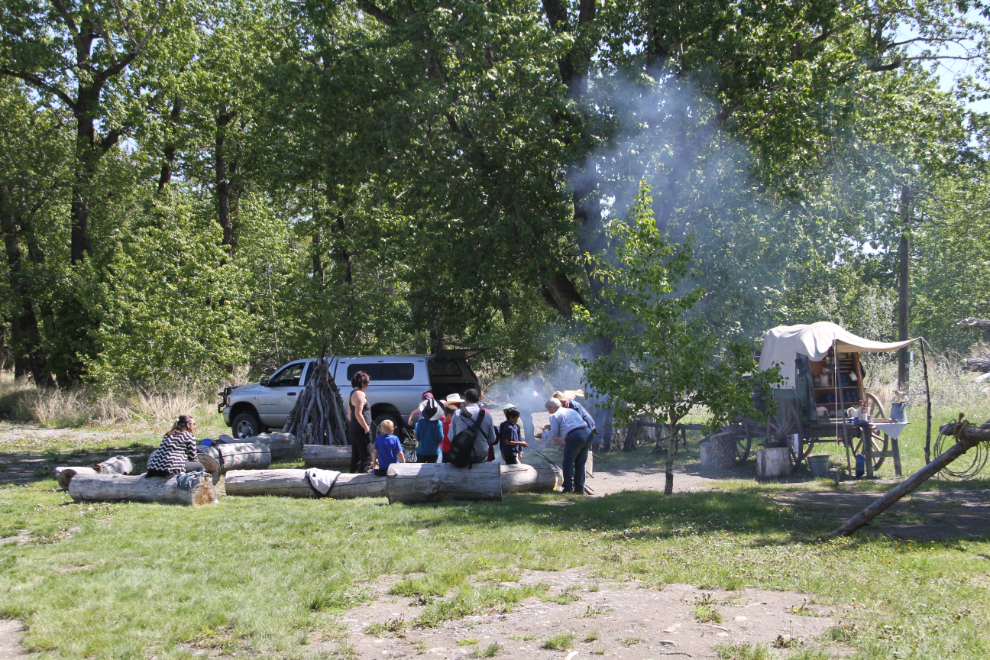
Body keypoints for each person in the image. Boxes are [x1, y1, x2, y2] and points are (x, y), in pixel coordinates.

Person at [537, 397, 592, 494]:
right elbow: (569, 427)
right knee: (581, 464)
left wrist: (543, 435)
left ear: (553, 406)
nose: (549, 412)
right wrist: (562, 439)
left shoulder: (554, 416)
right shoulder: (570, 411)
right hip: (587, 434)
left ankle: (568, 488)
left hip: (576, 436)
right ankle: (579, 489)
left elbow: (554, 433)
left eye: (549, 409)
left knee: (567, 463)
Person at [450, 389, 497, 464]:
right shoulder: (487, 415)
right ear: (479, 399)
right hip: (481, 455)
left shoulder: (457, 413)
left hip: (461, 454)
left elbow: (451, 437)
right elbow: (492, 439)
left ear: (466, 400)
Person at [348, 370, 374, 473]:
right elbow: (358, 414)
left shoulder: (351, 394)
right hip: (361, 429)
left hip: (353, 428)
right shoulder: (360, 394)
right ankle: (362, 482)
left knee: (355, 458)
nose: (367, 386)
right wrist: (366, 428)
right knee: (366, 458)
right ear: (362, 383)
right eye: (367, 383)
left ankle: (351, 477)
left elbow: (349, 415)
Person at [440, 395, 462, 463]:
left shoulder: (440, 423)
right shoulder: (450, 426)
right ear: (449, 415)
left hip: (442, 449)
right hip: (449, 449)